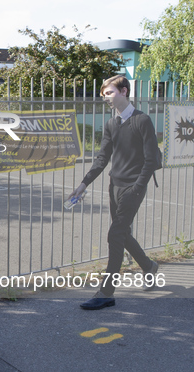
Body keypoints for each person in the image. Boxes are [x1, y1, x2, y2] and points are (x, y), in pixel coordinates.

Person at [68, 75, 159, 310]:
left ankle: (106, 292)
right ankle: (149, 267)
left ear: (123, 91)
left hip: (133, 188)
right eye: (104, 94)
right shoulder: (111, 124)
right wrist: (83, 184)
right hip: (114, 186)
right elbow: (102, 159)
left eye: (109, 93)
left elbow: (151, 160)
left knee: (115, 235)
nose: (105, 98)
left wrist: (138, 187)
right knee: (122, 234)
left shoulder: (142, 121)